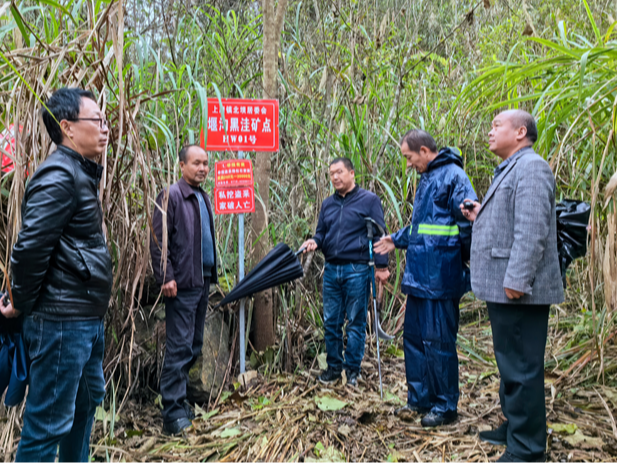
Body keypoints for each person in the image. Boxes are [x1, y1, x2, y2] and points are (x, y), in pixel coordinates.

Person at [0, 87, 112, 462]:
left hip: (83, 320)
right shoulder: (59, 176)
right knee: (47, 426)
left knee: (83, 411)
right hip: (61, 323)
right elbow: (28, 250)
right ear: (67, 127)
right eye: (95, 120)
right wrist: (22, 304)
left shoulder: (77, 172)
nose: (104, 128)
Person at [461, 110, 564, 462]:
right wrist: (480, 214)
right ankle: (514, 429)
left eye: (496, 126)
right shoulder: (511, 167)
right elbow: (512, 218)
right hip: (504, 288)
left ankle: (527, 450)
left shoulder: (532, 167)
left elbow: (533, 230)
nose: (489, 132)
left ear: (520, 132)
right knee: (510, 365)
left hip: (518, 288)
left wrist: (518, 280)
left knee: (522, 368)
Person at [374, 130, 476, 428]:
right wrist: (397, 238)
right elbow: (424, 228)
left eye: (409, 157)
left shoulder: (454, 177)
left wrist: (464, 262)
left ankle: (445, 406)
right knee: (415, 340)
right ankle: (419, 399)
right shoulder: (428, 179)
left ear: (423, 150)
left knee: (439, 342)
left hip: (441, 277)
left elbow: (467, 224)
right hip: (419, 275)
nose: (408, 164)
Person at [301, 157, 390, 387]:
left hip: (357, 269)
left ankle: (352, 370)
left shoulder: (369, 200)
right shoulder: (328, 204)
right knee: (331, 321)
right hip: (331, 269)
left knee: (355, 322)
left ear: (352, 173)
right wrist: (314, 241)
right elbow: (321, 233)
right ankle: (333, 368)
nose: (335, 177)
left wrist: (382, 266)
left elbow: (380, 234)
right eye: (331, 174)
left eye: (339, 172)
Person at [150, 144, 218, 435]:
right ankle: (173, 412)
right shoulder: (171, 195)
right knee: (178, 348)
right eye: (196, 163)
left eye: (205, 163)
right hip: (181, 284)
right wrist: (166, 276)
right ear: (181, 165)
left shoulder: (202, 196)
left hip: (201, 281)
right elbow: (157, 239)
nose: (202, 168)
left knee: (194, 344)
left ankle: (179, 401)